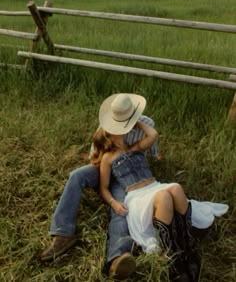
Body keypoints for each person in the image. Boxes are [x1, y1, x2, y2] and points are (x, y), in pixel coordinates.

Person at [91, 93, 229, 282]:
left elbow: (153, 134)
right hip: (137, 196)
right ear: (108, 133)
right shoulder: (108, 158)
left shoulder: (135, 147)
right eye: (117, 130)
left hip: (154, 186)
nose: (121, 133)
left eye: (124, 128)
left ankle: (185, 250)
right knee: (164, 196)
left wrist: (135, 120)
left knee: (175, 188)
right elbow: (104, 188)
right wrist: (114, 203)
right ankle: (172, 259)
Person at [40, 94, 160, 280]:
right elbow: (93, 156)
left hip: (127, 176)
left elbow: (152, 153)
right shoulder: (106, 125)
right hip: (104, 166)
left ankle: (117, 257)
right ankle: (63, 234)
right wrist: (106, 166)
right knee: (77, 175)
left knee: (121, 208)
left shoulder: (146, 124)